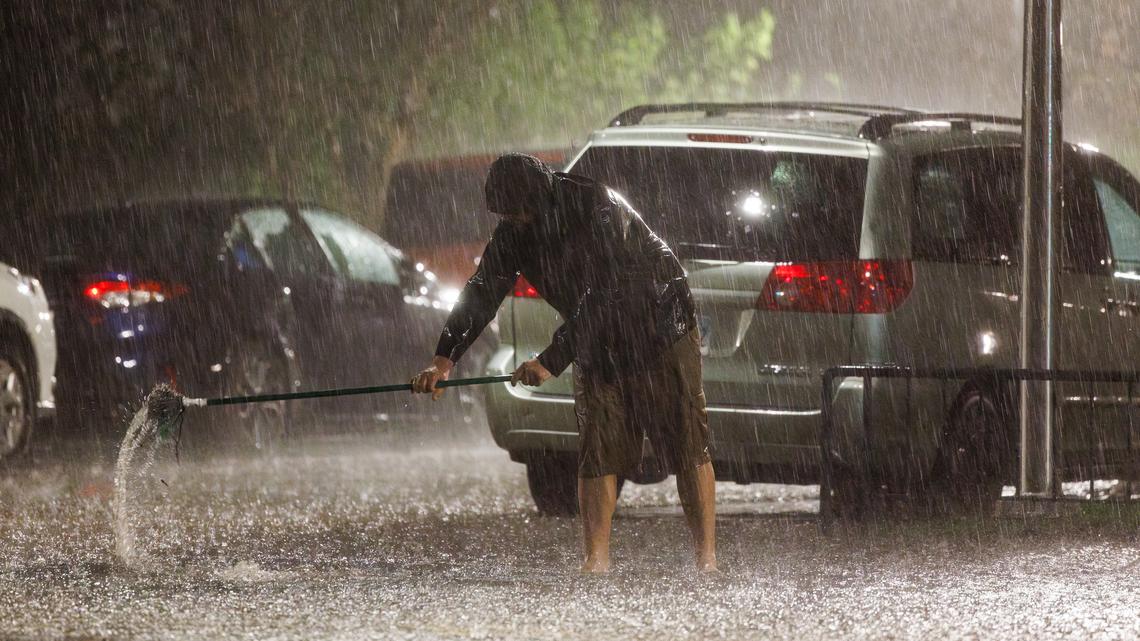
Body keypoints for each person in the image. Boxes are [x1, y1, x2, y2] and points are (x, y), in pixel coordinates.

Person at [411, 153, 716, 573]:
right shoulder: (514, 232)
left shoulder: (595, 207)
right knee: (598, 448)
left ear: (541, 196)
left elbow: (606, 291)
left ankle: (706, 559)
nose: (514, 220)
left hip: (660, 325)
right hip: (597, 338)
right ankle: (596, 560)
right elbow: (481, 292)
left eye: (519, 211)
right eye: (507, 215)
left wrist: (550, 360)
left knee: (686, 441)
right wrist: (444, 358)